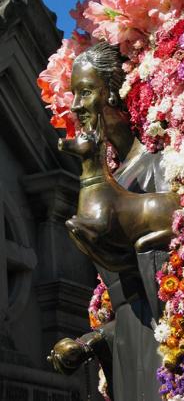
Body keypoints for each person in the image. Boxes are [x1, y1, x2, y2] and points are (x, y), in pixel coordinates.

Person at [48, 42, 174, 401]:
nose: (75, 106)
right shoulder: (116, 176)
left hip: (164, 346)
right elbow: (128, 306)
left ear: (115, 94)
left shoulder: (157, 164)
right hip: (129, 353)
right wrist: (91, 341)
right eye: (73, 94)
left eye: (85, 92)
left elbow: (169, 282)